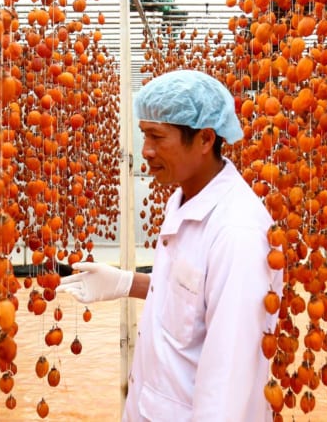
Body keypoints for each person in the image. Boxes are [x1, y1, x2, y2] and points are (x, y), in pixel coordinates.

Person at [58, 70, 283, 421]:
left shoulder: (237, 233)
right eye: (144, 135)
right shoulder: (182, 200)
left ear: (206, 139)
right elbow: (192, 299)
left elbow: (227, 383)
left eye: (157, 137)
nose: (145, 150)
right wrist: (127, 283)